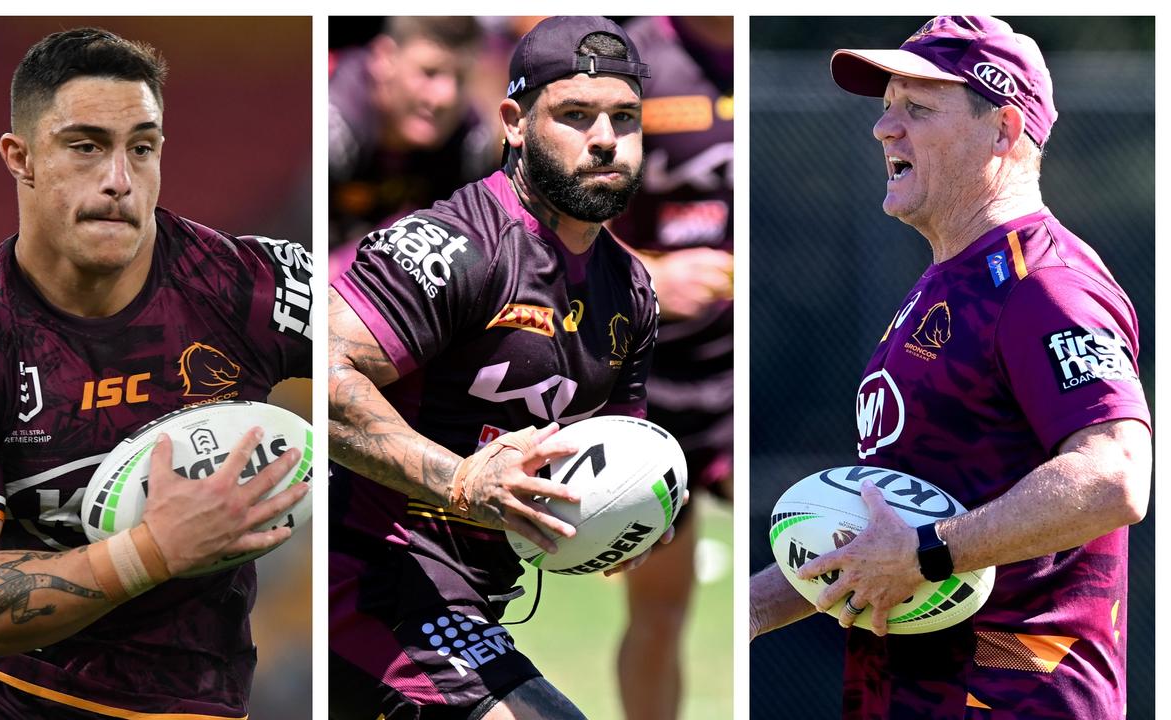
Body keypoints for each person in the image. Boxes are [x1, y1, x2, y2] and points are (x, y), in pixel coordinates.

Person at [749, 16, 1151, 719]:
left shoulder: (1045, 282)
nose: (884, 129)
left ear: (1002, 129)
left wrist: (930, 553)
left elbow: (1115, 476)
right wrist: (750, 608)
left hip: (1014, 697)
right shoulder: (944, 287)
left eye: (918, 108)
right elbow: (893, 537)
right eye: (886, 107)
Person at [0, 28, 313, 719]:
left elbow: (384, 349)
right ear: (21, 157)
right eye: (86, 146)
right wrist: (154, 551)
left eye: (142, 148)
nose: (119, 179)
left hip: (187, 701)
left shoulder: (254, 288)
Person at [329, 16, 665, 719]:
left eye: (624, 117)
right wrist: (458, 480)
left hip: (471, 595)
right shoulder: (455, 246)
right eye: (574, 114)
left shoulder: (631, 291)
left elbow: (611, 453)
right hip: (365, 578)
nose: (604, 137)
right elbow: (316, 381)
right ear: (514, 123)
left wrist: (635, 518)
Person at [608, 16, 734, 720]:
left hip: (751, 371)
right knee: (659, 609)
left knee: (819, 570)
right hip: (653, 375)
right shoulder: (627, 57)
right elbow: (542, 219)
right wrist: (650, 274)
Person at [329, 16, 496, 279]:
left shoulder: (469, 143)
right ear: (384, 58)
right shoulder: (331, 122)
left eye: (461, 78)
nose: (445, 97)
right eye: (429, 72)